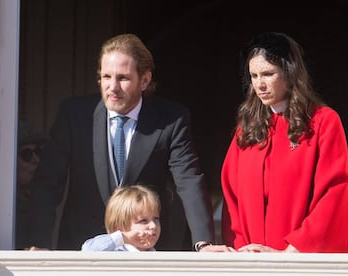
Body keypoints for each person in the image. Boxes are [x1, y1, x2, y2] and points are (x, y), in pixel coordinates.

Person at [27, 33, 230, 252]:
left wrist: (204, 243)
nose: (112, 87)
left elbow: (188, 180)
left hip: (148, 249)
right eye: (106, 77)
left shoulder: (171, 119)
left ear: (144, 80)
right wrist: (39, 243)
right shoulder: (74, 115)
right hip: (85, 246)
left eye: (122, 78)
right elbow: (48, 182)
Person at [221, 32, 348, 253]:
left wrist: (291, 253)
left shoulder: (322, 122)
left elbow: (333, 193)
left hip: (299, 261)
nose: (260, 84)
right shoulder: (246, 130)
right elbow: (231, 198)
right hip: (251, 263)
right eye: (254, 76)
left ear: (289, 72)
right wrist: (244, 250)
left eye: (268, 74)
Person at [81, 185, 161, 252]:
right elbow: (88, 250)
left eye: (156, 219)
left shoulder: (157, 255)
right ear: (118, 227)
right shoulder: (114, 251)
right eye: (143, 221)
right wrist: (124, 237)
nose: (153, 226)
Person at [15, 120, 46, 249]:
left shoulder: (39, 202)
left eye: (38, 152)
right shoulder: (2, 208)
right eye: (26, 154)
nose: (35, 160)